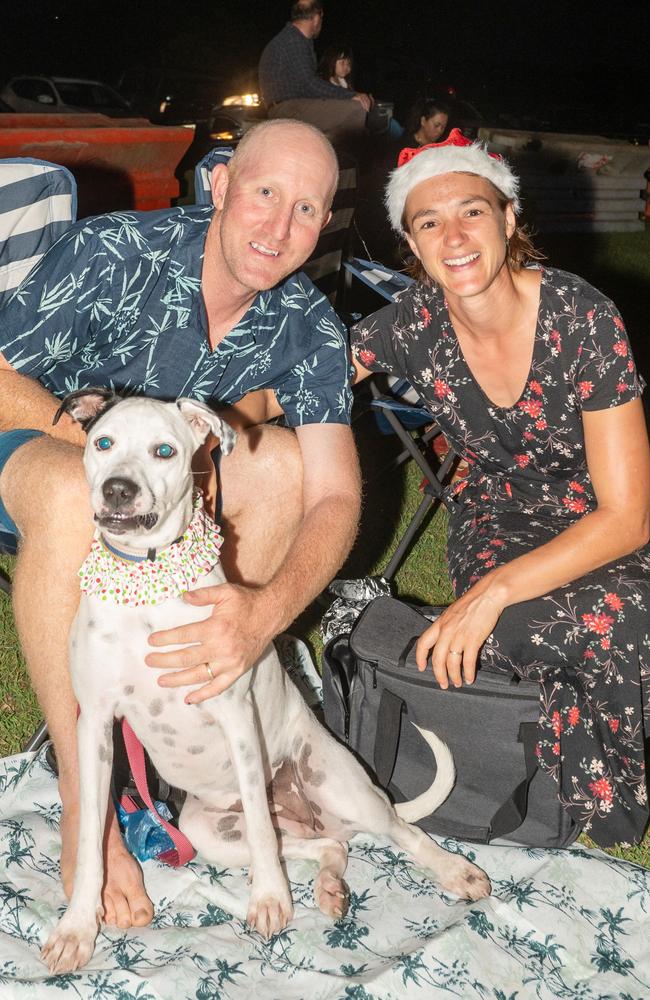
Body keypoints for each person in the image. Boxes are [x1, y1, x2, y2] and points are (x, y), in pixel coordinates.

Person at [0, 119, 361, 927]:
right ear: (225, 185)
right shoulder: (116, 251)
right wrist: (116, 455)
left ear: (327, 222)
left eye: (306, 209)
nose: (279, 226)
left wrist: (266, 615)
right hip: (32, 443)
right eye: (266, 193)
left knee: (284, 464)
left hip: (172, 485)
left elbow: (337, 496)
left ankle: (186, 704)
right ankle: (79, 796)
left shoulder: (307, 325)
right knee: (69, 493)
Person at [350, 128, 650, 848]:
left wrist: (490, 591)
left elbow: (629, 515)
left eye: (472, 211)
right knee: (520, 632)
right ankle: (570, 789)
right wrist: (212, 421)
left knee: (614, 613)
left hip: (600, 508)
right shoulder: (410, 327)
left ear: (509, 218)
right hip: (498, 512)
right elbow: (310, 375)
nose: (453, 235)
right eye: (429, 222)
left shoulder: (583, 317)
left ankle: (615, 778)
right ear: (411, 245)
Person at [258, 1, 372, 142]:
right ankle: (348, 161)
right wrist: (350, 95)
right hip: (286, 109)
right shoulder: (293, 40)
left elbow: (307, 83)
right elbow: (309, 84)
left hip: (292, 104)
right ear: (317, 17)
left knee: (344, 111)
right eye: (322, 18)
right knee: (355, 108)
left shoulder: (297, 39)